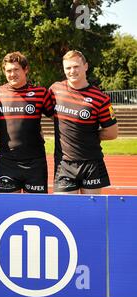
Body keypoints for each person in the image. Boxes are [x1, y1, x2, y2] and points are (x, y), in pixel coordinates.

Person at [48, 50, 118, 194]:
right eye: (68, 68)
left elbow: (112, 133)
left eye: (76, 66)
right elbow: (48, 114)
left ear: (85, 66)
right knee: (64, 212)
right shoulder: (55, 90)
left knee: (91, 212)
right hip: (64, 164)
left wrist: (86, 134)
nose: (72, 71)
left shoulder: (100, 98)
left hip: (91, 163)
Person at [0, 51, 54, 193]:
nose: (12, 74)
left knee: (35, 208)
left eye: (16, 69)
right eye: (8, 70)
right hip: (7, 161)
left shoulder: (41, 93)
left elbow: (59, 119)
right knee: (8, 209)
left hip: (35, 162)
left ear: (26, 70)